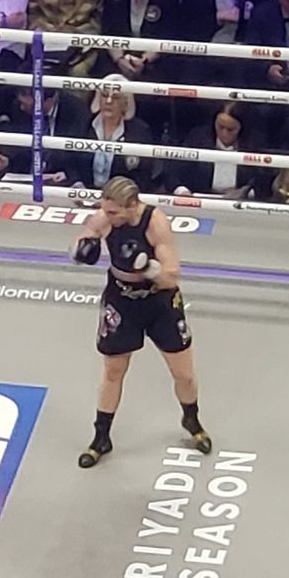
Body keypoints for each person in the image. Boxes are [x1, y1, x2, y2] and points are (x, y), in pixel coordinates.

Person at [70, 176, 212, 468]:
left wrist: (146, 266)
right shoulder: (105, 216)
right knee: (113, 371)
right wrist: (81, 248)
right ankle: (101, 437)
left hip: (159, 302)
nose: (106, 217)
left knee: (183, 373)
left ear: (131, 205)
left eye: (113, 213)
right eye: (104, 210)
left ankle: (192, 420)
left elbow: (172, 276)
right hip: (121, 300)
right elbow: (83, 237)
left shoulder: (155, 223)